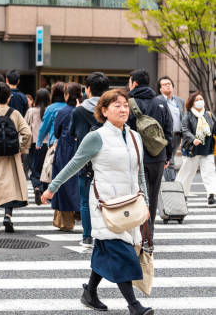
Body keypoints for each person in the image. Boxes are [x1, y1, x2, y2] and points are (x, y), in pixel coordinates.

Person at [42, 89, 153, 315]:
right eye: (116, 105)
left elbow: (140, 172)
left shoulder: (135, 136)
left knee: (105, 249)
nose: (123, 109)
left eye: (125, 105)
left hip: (130, 206)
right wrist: (52, 188)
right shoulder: (96, 137)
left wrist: (147, 205)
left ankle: (90, 292)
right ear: (103, 111)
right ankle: (134, 306)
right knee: (121, 251)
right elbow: (74, 164)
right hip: (106, 205)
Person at [0, 82, 32, 232]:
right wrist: (21, 148)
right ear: (9, 97)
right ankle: (8, 215)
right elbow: (27, 133)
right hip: (11, 154)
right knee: (9, 185)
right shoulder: (14, 113)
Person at [128, 69, 173, 238]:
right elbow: (168, 131)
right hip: (158, 157)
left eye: (130, 81)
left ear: (135, 83)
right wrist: (167, 155)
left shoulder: (130, 103)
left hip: (137, 157)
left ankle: (138, 233)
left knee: (138, 195)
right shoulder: (160, 102)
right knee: (153, 196)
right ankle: (149, 233)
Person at [70, 72, 109, 247]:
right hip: (108, 159)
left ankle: (87, 236)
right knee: (107, 198)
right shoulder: (110, 110)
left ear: (88, 90)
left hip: (86, 162)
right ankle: (106, 234)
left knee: (85, 200)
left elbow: (72, 133)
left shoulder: (79, 111)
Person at [50, 82, 83, 231]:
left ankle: (65, 221)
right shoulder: (82, 110)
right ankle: (79, 211)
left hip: (64, 149)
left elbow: (56, 132)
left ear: (67, 95)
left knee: (63, 182)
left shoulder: (63, 112)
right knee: (78, 182)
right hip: (81, 148)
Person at [177, 92, 216, 204]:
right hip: (192, 149)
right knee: (187, 173)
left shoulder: (209, 114)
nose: (200, 101)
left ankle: (211, 195)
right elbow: (184, 130)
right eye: (197, 99)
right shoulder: (188, 115)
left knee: (209, 172)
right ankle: (182, 195)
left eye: (201, 99)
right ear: (192, 103)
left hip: (207, 149)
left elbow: (214, 129)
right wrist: (193, 139)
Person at [24, 88, 51, 204]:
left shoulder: (31, 111)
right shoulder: (50, 110)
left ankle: (36, 188)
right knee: (46, 169)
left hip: (35, 144)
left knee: (35, 169)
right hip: (48, 145)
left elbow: (25, 126)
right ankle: (44, 192)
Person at [157, 76, 185, 173]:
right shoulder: (157, 100)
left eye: (169, 84)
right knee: (169, 160)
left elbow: (182, 117)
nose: (168, 86)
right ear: (160, 89)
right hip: (164, 136)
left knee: (170, 158)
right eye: (164, 84)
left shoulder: (179, 101)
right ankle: (170, 183)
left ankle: (168, 182)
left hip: (177, 136)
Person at [36, 82, 67, 150]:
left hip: (54, 143)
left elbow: (44, 127)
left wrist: (39, 142)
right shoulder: (71, 108)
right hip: (69, 144)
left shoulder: (51, 108)